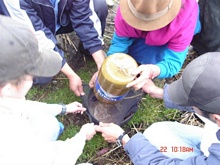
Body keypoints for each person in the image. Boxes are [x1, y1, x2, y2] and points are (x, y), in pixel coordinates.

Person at [0, 15, 96, 165]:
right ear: (8, 88)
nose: (33, 77)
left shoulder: (6, 98)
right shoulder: (12, 136)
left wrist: (63, 109)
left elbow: (20, 106)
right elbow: (54, 159)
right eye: (30, 74)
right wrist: (82, 136)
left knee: (50, 124)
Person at [96, 52, 220, 164]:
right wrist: (157, 91)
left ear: (217, 119)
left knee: (155, 141)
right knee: (157, 132)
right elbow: (204, 102)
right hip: (213, 144)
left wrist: (123, 139)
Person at [0, 0, 108, 96]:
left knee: (98, 5)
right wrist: (71, 75)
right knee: (44, 75)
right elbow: (37, 36)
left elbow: (84, 18)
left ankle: (87, 51)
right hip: (26, 29)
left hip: (60, 19)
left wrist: (102, 66)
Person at [97, 0, 201, 91]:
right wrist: (108, 67)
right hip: (149, 33)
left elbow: (173, 62)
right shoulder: (132, 6)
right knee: (132, 53)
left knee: (151, 57)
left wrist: (152, 70)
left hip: (170, 34)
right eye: (137, 20)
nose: (144, 26)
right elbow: (120, 42)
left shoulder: (185, 20)